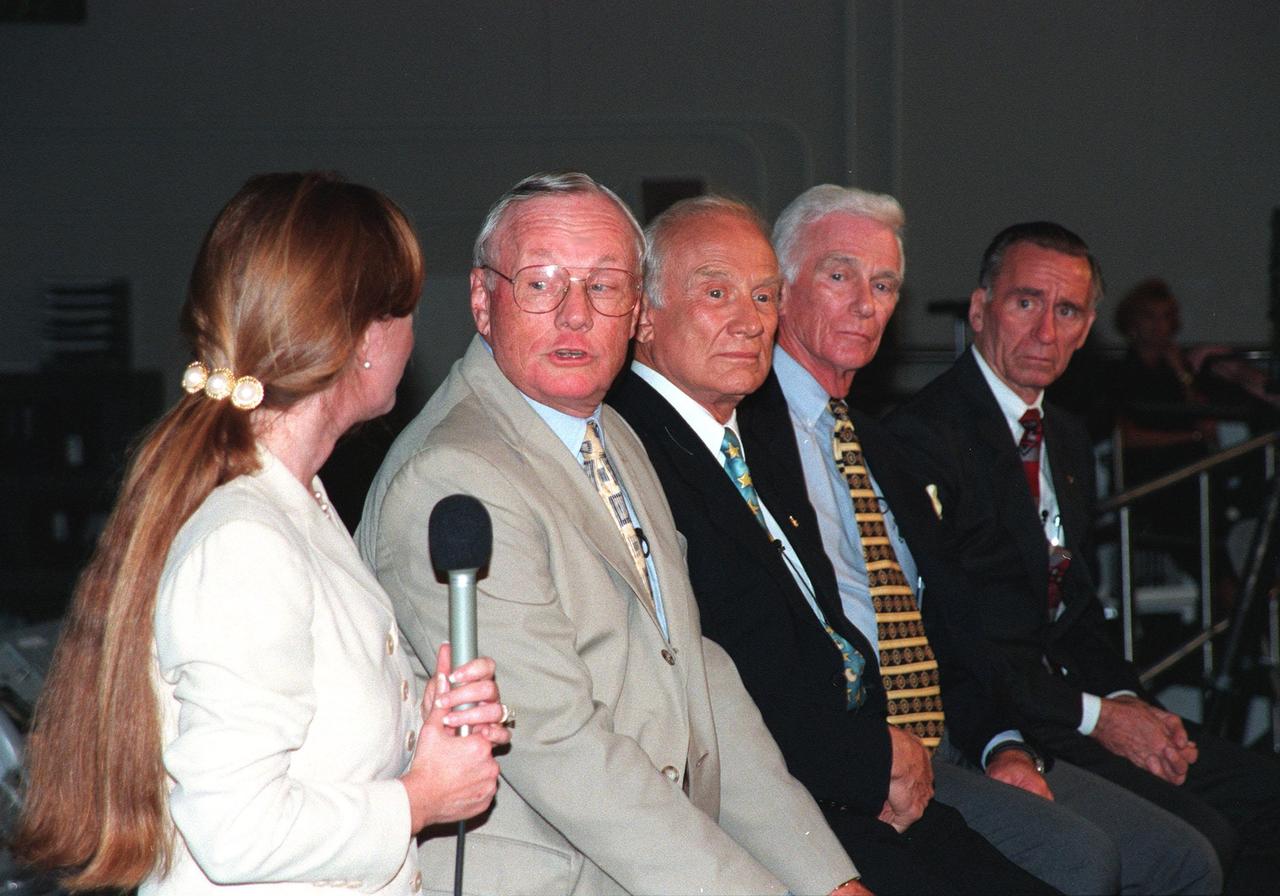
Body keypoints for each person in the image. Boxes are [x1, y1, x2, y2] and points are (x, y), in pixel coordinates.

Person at [358, 172, 864, 896]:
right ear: (481, 299)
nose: (575, 315)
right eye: (541, 284)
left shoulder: (611, 433)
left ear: (635, 311)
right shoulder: (454, 476)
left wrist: (825, 879)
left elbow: (698, 675)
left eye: (603, 286)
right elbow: (559, 747)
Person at [14, 173, 510, 894]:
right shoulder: (246, 540)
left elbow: (316, 754)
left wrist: (420, 728)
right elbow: (236, 830)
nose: (414, 334)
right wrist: (419, 800)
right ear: (363, 340)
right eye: (404, 309)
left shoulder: (297, 502)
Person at [734, 188, 1220, 895]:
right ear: (779, 287)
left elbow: (951, 618)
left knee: (1187, 857)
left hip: (965, 728)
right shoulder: (745, 432)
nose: (866, 304)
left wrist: (1004, 743)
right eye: (840, 275)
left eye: (884, 285)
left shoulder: (873, 443)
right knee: (1090, 860)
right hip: (853, 752)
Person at [609, 193, 1070, 894]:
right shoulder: (638, 446)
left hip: (869, 757)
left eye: (763, 296)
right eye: (716, 292)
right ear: (645, 314)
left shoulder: (740, 438)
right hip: (782, 796)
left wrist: (966, 743)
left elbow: (896, 625)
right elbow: (720, 674)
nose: (750, 320)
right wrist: (870, 758)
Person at [886, 221, 1280, 894]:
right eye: (1026, 302)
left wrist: (1132, 704)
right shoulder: (926, 435)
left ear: (1088, 327)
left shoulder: (1064, 436)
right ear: (980, 309)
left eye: (1066, 311)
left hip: (1071, 699)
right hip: (999, 715)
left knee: (1265, 792)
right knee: (1203, 840)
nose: (1046, 331)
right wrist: (1103, 718)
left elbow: (1077, 613)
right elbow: (964, 640)